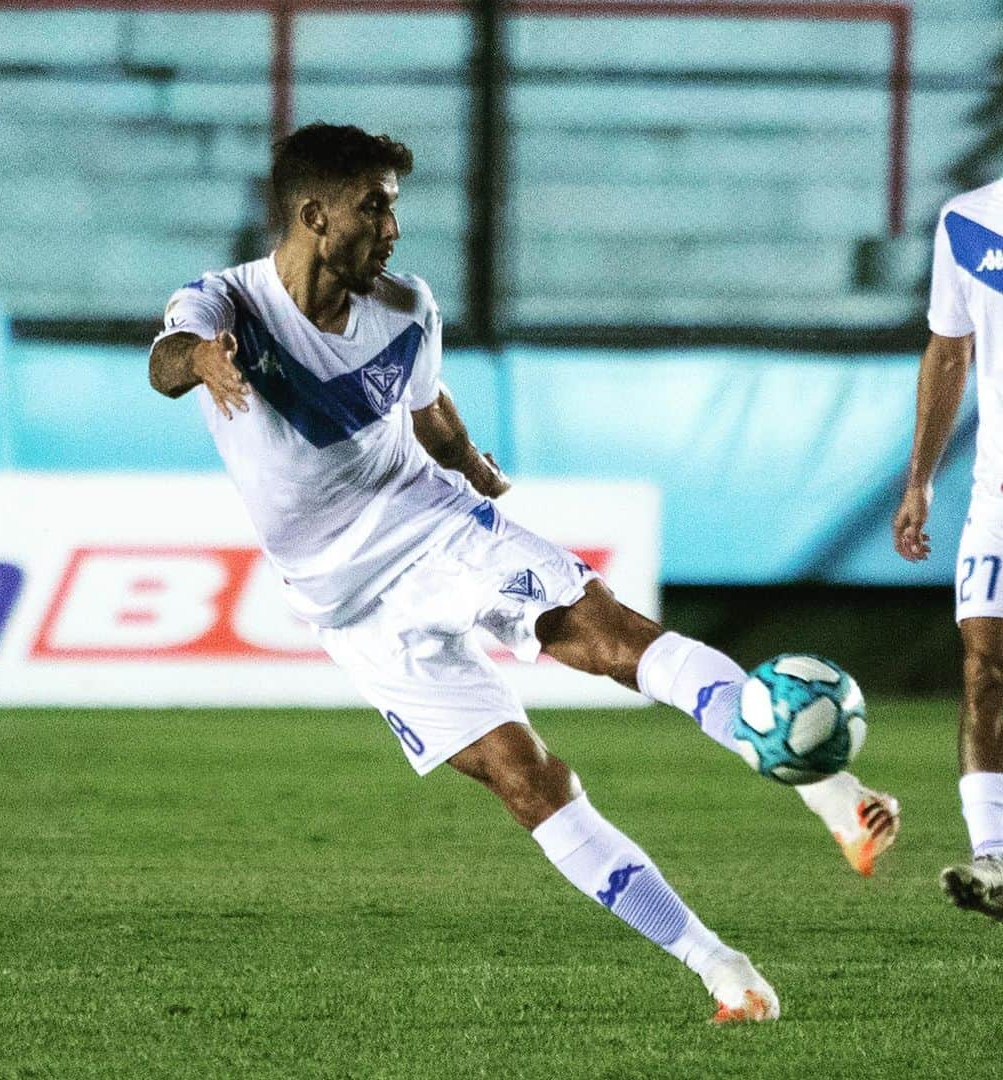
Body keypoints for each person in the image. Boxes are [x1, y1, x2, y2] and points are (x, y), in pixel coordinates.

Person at [149, 122, 899, 1021]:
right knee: (528, 780)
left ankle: (831, 791)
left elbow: (426, 407)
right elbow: (165, 360)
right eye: (375, 208)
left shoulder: (407, 304)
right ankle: (720, 966)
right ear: (315, 214)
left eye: (394, 210)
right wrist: (200, 362)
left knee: (608, 636)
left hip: (436, 528)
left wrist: (469, 465)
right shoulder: (225, 303)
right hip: (347, 609)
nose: (392, 229)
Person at [894, 180, 1003, 921]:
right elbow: (948, 350)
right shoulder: (969, 220)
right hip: (998, 497)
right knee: (984, 667)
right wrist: (920, 480)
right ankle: (993, 858)